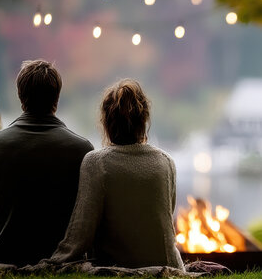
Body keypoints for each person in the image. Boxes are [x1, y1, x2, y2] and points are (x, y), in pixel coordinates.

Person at [50, 79, 184, 269]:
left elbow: (80, 234)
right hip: (168, 264)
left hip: (116, 265)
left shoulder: (97, 162)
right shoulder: (166, 162)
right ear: (144, 120)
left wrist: (54, 261)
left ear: (106, 121)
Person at [0, 60, 94, 266]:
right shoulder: (83, 151)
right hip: (59, 259)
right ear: (57, 97)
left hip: (2, 257)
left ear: (20, 96)